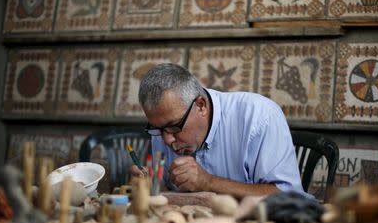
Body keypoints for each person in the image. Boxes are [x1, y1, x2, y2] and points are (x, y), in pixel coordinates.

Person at [131, 63, 308, 199]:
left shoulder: (258, 116)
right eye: (158, 129)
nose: (167, 140)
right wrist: (153, 184)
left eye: (175, 127)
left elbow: (287, 196)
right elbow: (168, 193)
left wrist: (208, 182)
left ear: (200, 106)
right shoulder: (163, 129)